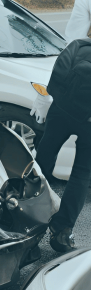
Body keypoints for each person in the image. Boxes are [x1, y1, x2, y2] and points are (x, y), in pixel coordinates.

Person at [32, 37, 91, 252]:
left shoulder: (79, 45)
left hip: (61, 111)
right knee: (81, 174)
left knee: (43, 160)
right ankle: (62, 231)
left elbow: (56, 79)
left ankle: (29, 215)